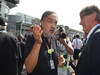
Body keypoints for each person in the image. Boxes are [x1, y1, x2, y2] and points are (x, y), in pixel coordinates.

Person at [24, 11, 73, 75]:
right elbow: (29, 68)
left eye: (55, 23)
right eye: (50, 21)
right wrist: (38, 42)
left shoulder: (53, 39)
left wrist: (59, 61)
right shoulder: (32, 37)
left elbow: (51, 57)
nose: (53, 26)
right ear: (41, 22)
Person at [75, 5, 100, 75]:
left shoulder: (98, 36)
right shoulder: (94, 36)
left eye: (82, 17)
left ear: (93, 15)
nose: (80, 23)